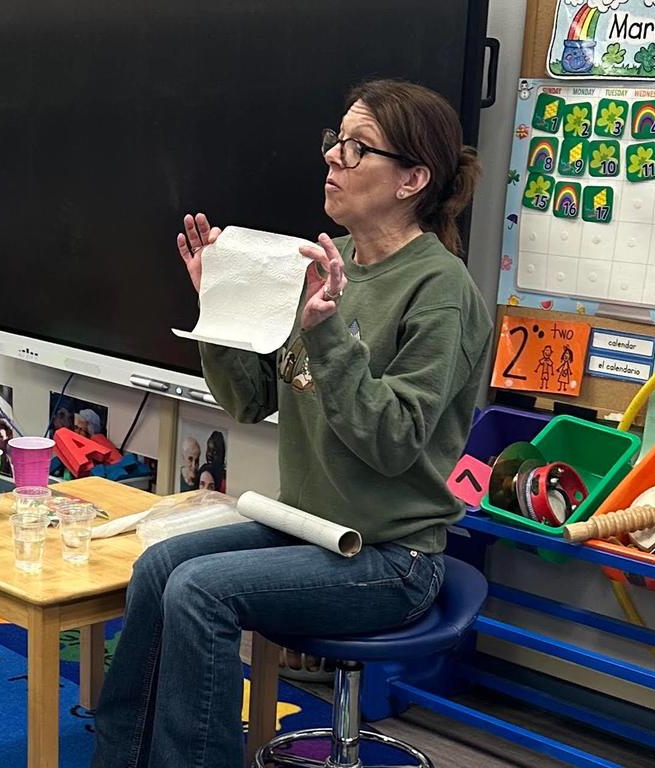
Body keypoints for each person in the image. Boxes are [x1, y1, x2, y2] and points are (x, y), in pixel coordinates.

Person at [91, 80, 493, 768]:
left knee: (199, 590)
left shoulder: (441, 290)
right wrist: (219, 308)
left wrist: (329, 335)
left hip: (391, 559)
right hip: (308, 528)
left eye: (357, 147)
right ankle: (120, 759)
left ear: (412, 180)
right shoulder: (322, 265)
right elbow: (249, 401)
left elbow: (394, 443)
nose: (333, 157)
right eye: (336, 141)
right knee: (160, 565)